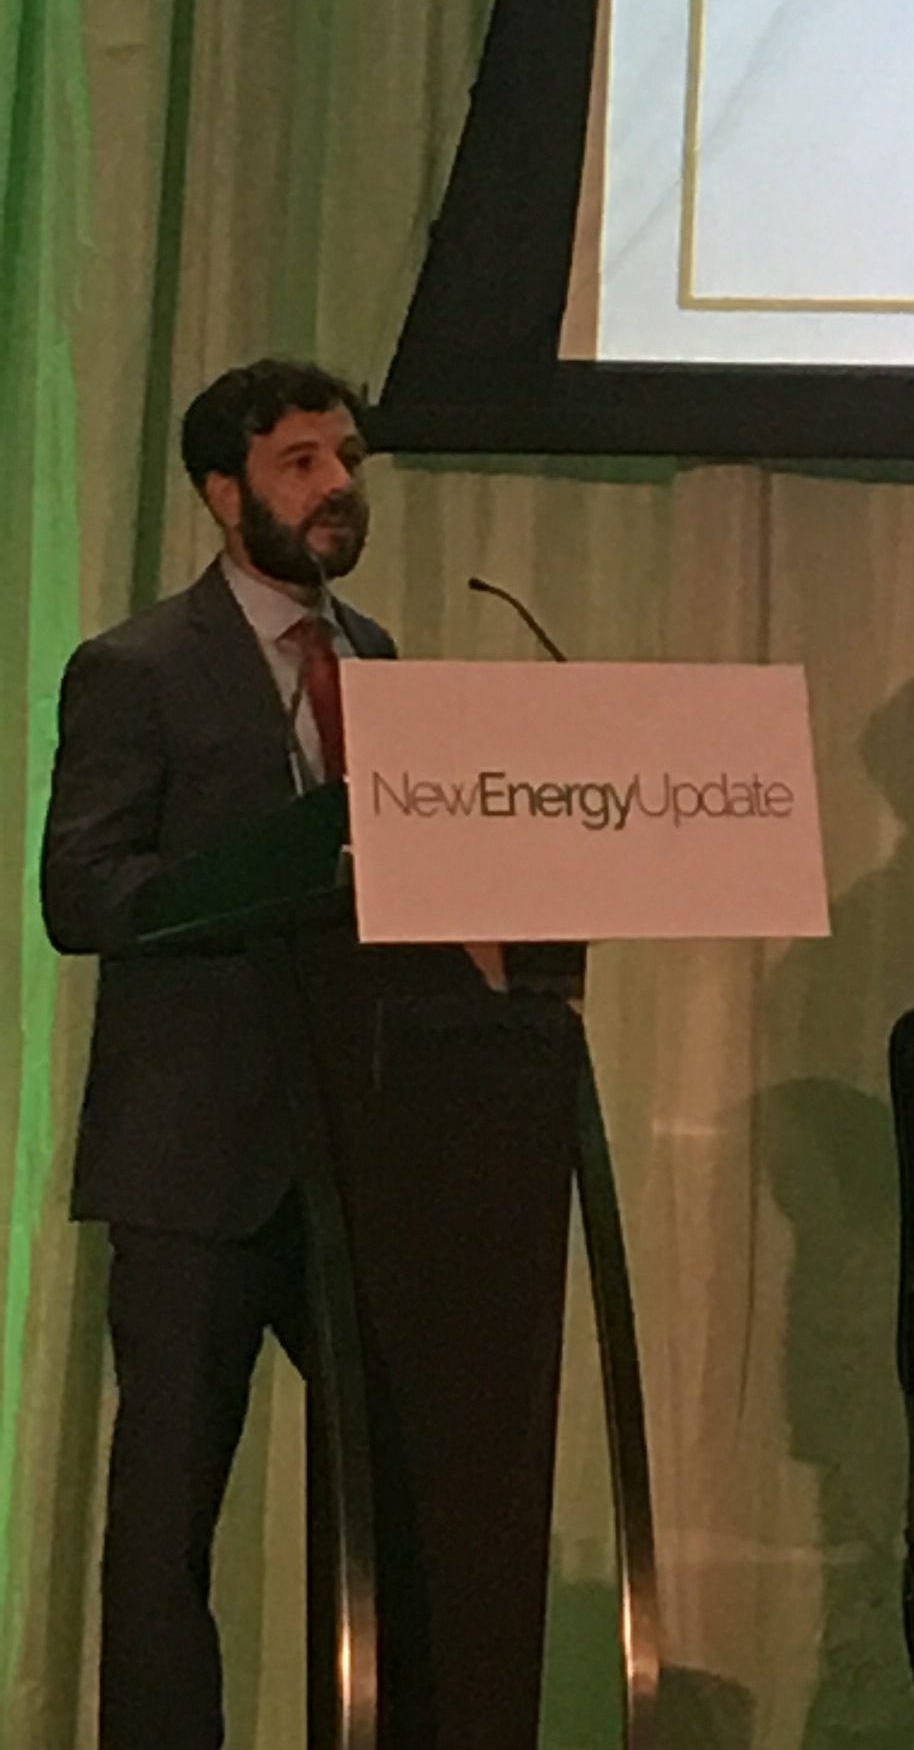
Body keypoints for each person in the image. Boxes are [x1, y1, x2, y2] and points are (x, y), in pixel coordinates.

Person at [39, 356, 395, 1750]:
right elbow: (83, 894)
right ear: (223, 493)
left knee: (411, 1487)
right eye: (300, 463)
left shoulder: (378, 658)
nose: (336, 486)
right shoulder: (135, 669)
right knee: (169, 1515)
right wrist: (271, 881)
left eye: (346, 457)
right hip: (194, 1165)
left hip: (360, 1144)